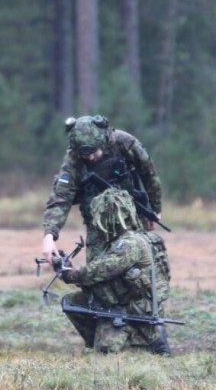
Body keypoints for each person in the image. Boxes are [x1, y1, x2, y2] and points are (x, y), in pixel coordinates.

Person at [57, 188, 172, 355]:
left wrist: (69, 275)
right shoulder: (129, 239)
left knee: (106, 353)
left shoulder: (129, 244)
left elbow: (100, 270)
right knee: (73, 302)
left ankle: (145, 342)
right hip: (125, 302)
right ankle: (104, 335)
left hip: (132, 308)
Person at [41, 115, 163, 265]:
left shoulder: (123, 142)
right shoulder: (73, 159)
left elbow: (149, 174)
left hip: (132, 218)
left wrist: (155, 210)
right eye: (85, 154)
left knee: (137, 270)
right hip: (96, 223)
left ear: (104, 141)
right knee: (98, 274)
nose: (91, 157)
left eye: (94, 151)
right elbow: (61, 198)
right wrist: (49, 236)